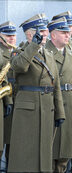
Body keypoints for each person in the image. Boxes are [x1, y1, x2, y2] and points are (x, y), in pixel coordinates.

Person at [8, 13, 65, 172]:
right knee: (26, 152)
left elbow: (56, 84)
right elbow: (19, 67)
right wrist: (33, 45)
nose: (45, 34)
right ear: (29, 34)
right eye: (42, 31)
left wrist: (60, 112)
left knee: (44, 152)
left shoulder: (49, 54)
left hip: (47, 107)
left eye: (46, 31)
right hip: (28, 110)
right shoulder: (19, 51)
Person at [45, 17, 72, 172]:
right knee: (51, 151)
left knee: (65, 152)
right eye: (63, 32)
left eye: (68, 32)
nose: (67, 35)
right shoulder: (44, 52)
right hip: (52, 105)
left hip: (70, 105)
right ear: (53, 35)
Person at [0, 21, 16, 168]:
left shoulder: (16, 52)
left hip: (16, 99)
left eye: (13, 35)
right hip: (5, 99)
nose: (11, 38)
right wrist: (8, 100)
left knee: (13, 137)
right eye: (7, 35)